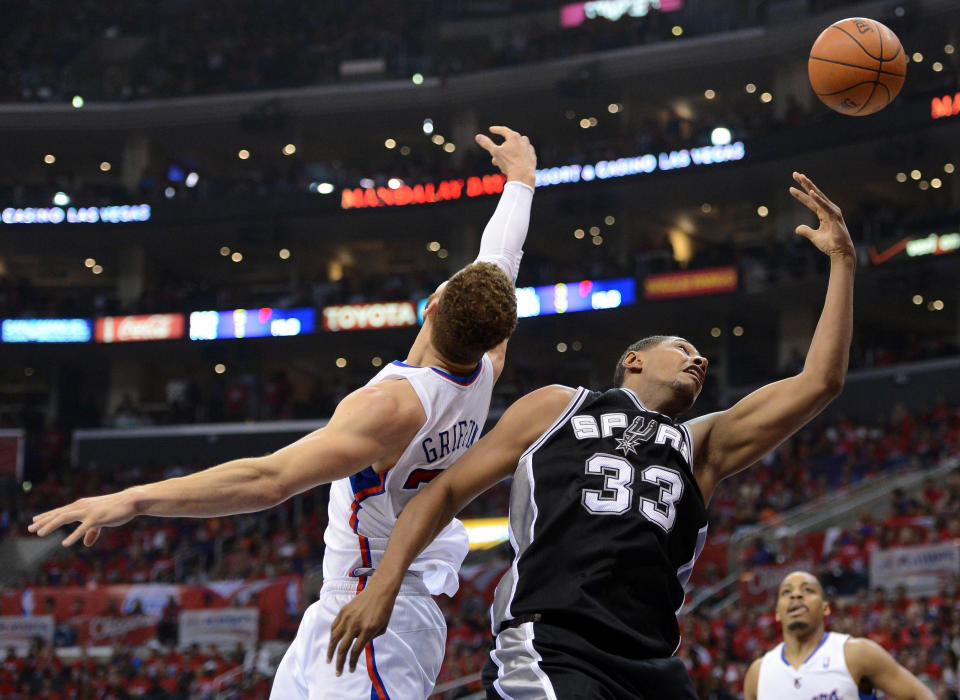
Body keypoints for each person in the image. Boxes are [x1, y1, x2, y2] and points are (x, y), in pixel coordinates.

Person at [28, 125, 538, 700]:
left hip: (373, 617)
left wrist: (136, 498)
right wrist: (520, 181)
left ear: (431, 305)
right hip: (351, 608)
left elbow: (268, 480)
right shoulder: (486, 366)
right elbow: (501, 257)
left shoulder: (389, 408)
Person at [327, 172, 856, 698]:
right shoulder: (559, 406)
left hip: (651, 661)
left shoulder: (700, 446)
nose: (699, 358)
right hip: (554, 644)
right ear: (634, 360)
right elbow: (443, 490)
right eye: (682, 347)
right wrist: (384, 583)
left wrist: (842, 262)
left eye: (700, 356)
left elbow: (820, 382)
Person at [743, 571, 935, 700]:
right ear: (777, 611)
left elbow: (921, 696)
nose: (796, 596)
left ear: (826, 608)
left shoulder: (856, 653)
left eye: (807, 590)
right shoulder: (758, 673)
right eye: (786, 592)